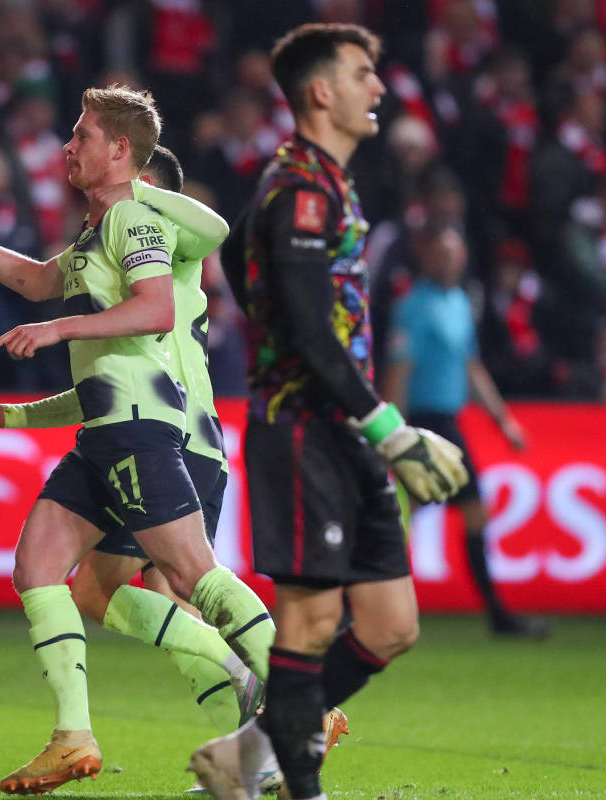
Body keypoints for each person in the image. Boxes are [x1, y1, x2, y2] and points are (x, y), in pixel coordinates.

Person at [0, 85, 277, 796]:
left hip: (142, 430)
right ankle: (73, 737)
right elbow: (33, 280)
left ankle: (295, 703)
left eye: (81, 136)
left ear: (119, 151)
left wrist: (58, 328)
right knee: (46, 571)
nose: (67, 147)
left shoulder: (134, 217)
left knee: (191, 576)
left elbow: (154, 308)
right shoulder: (90, 237)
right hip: (110, 429)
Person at [190, 24, 469, 800]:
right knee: (309, 623)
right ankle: (296, 789)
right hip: (307, 428)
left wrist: (276, 330)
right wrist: (388, 424)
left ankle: (240, 758)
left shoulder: (321, 183)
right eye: (362, 73)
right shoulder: (301, 188)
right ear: (322, 92)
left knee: (390, 626)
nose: (378, 87)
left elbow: (244, 246)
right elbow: (312, 329)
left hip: (341, 427)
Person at [382, 223, 548, 638]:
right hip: (421, 423)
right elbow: (399, 371)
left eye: (454, 254)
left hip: (448, 423)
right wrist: (391, 433)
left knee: (438, 515)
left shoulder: (458, 301)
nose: (448, 262)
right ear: (427, 259)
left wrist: (502, 419)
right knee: (405, 519)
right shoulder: (414, 306)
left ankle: (495, 614)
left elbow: (471, 367)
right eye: (441, 254)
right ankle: (369, 609)